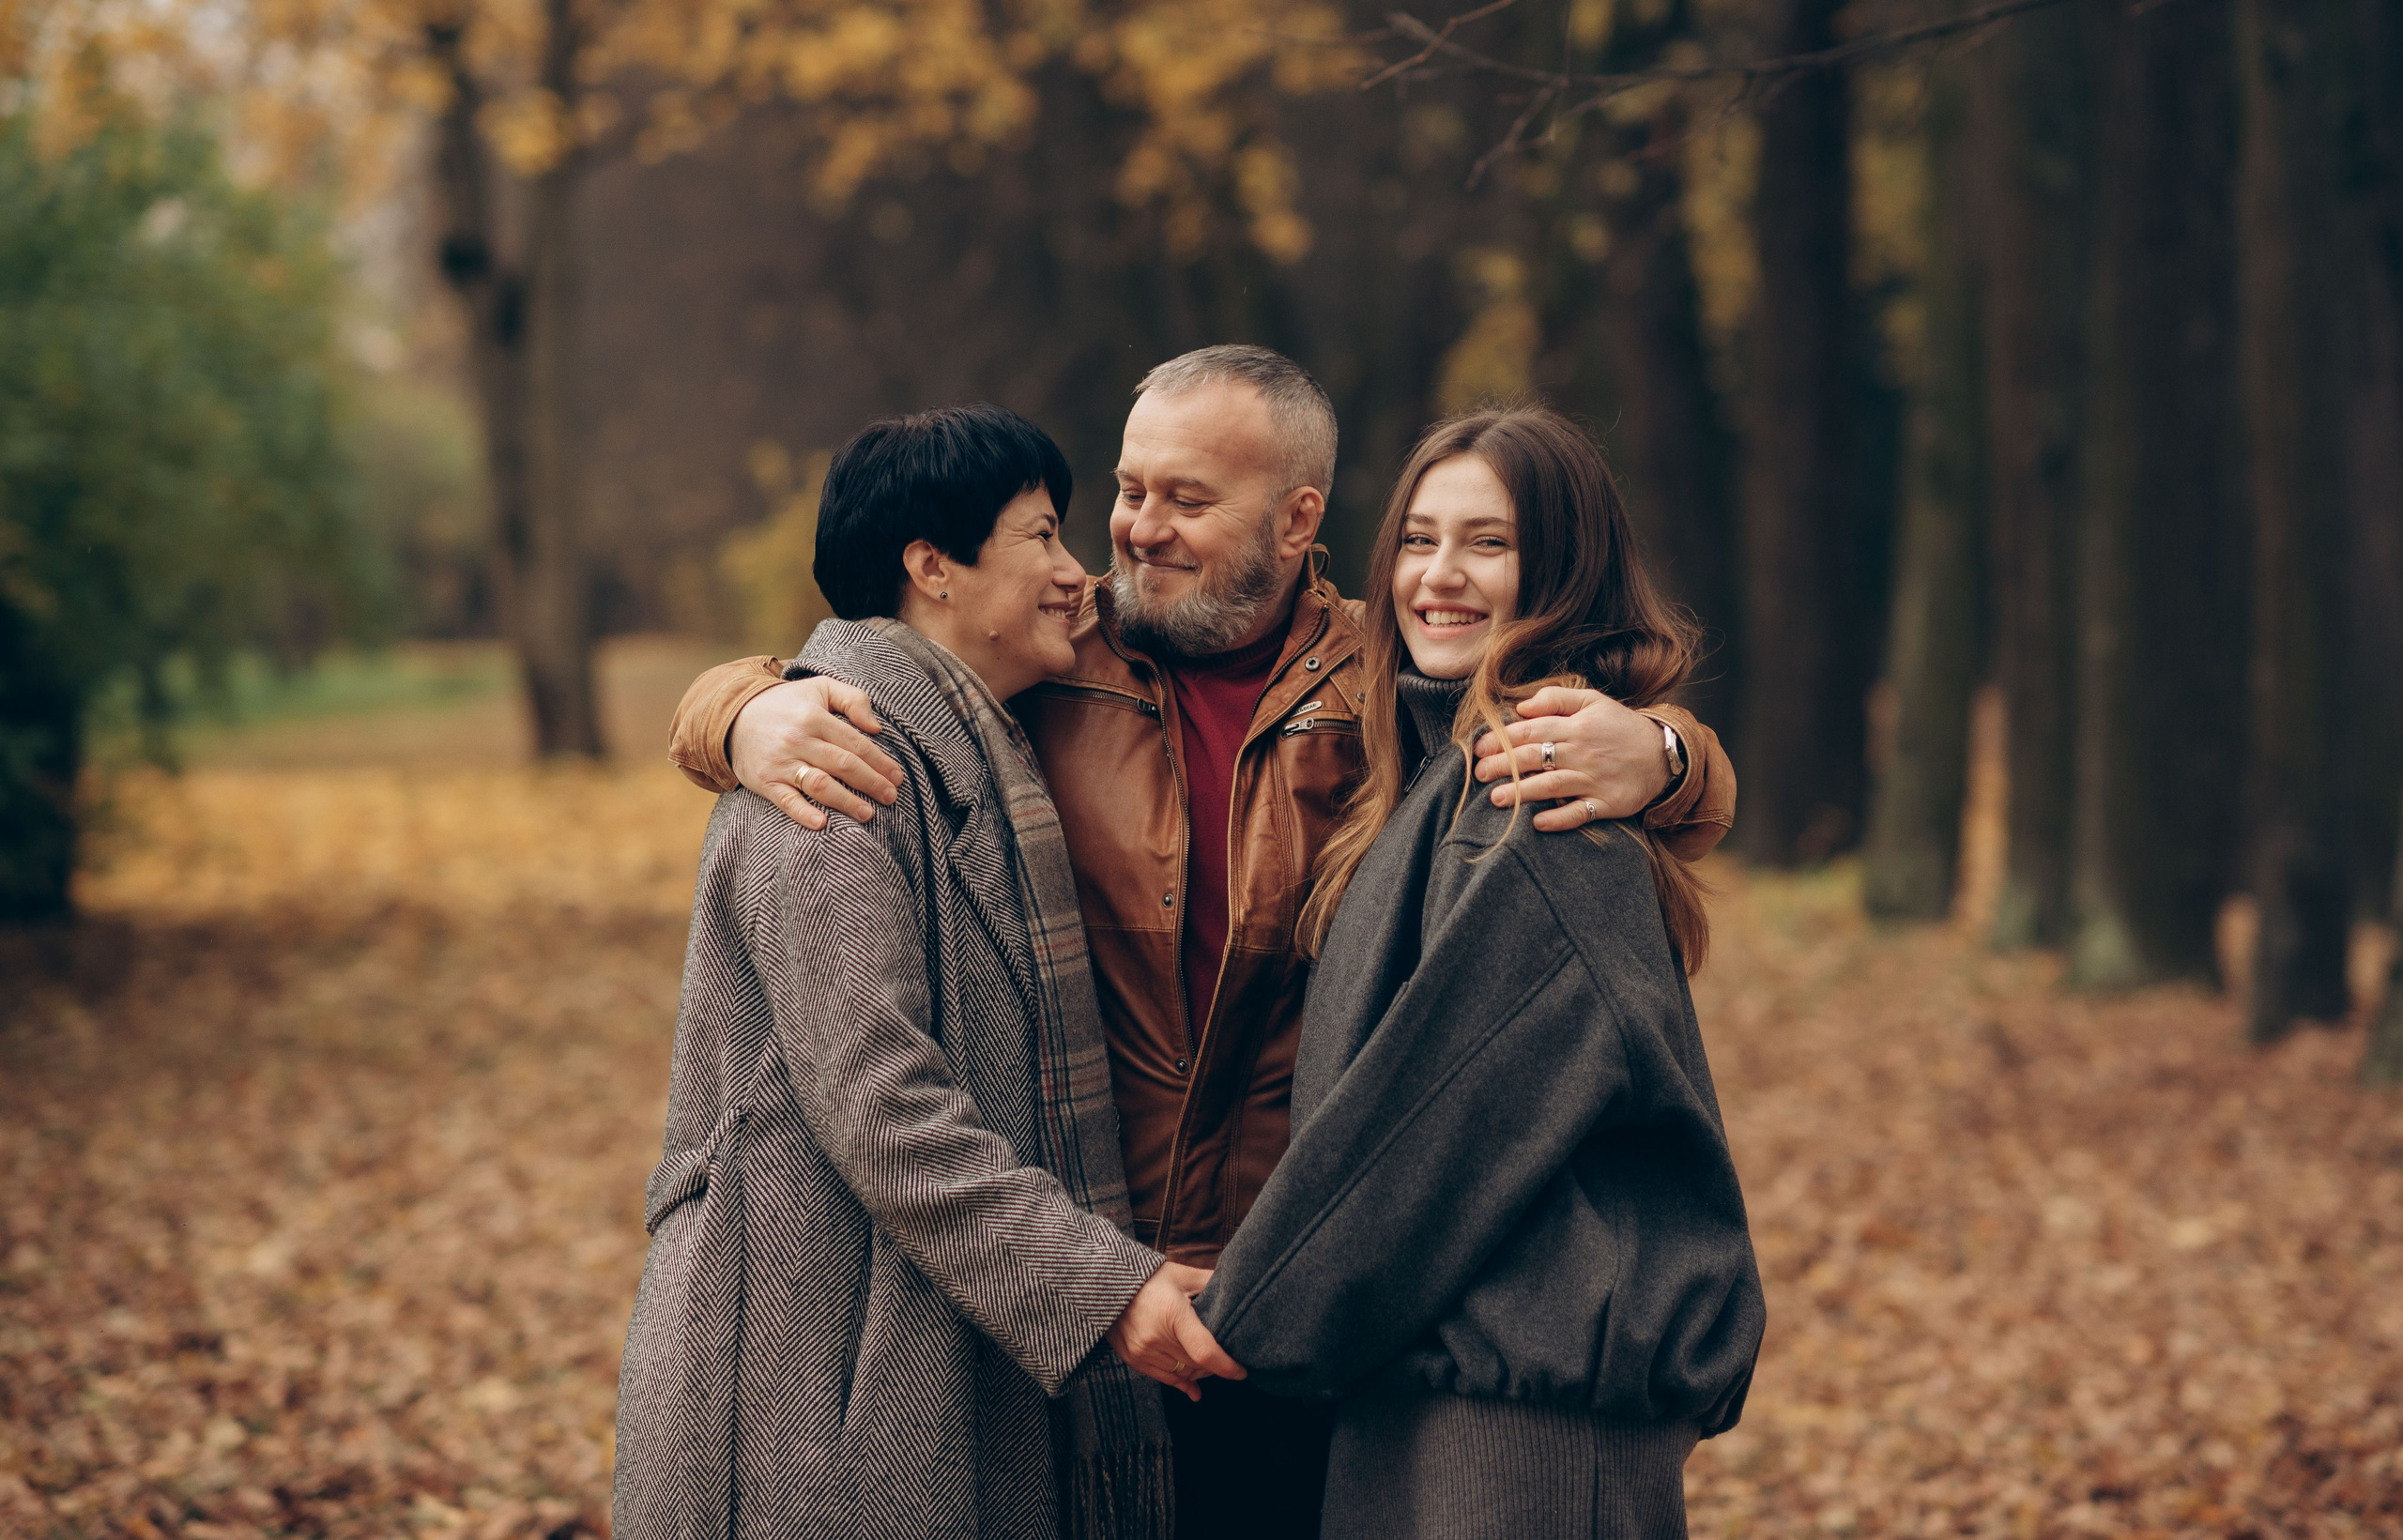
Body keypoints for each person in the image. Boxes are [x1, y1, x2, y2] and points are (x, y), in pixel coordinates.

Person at [664, 347, 1738, 1536]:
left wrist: (1671, 755)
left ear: (1297, 519)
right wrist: (738, 711)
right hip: (1075, 1277)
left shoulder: (1378, 677)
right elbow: (878, 661)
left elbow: (1539, 713)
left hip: (1304, 1280)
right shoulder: (1052, 658)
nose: (1136, 531)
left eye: (1186, 500)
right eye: (1128, 491)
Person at [613, 404, 1239, 1540]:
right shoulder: (834, 781)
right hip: (820, 1363)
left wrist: (1672, 752)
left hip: (918, 1339)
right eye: (1041, 538)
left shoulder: (972, 737)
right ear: (931, 569)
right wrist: (1101, 1286)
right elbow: (883, 1109)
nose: (1075, 573)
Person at [1195, 407, 1766, 1539]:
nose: (1438, 577)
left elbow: (1433, 1122)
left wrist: (1240, 1325)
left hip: (1516, 1433)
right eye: (1416, 539)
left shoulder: (1534, 801)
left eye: (1487, 544)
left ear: (1564, 567)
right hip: (1422, 1387)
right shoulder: (1434, 772)